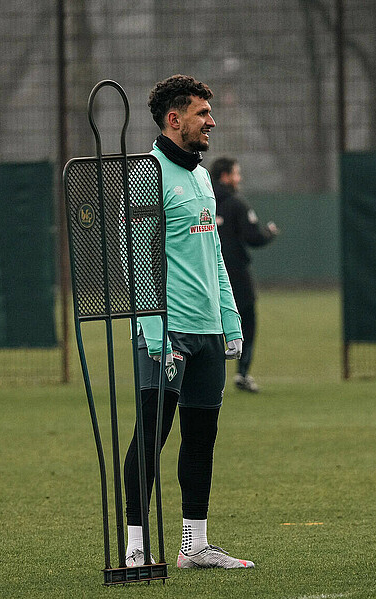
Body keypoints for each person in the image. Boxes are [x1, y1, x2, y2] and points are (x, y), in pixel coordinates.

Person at [123, 74, 254, 570]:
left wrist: (230, 320)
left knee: (202, 437)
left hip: (207, 334)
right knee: (151, 436)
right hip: (166, 332)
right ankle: (135, 548)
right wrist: (156, 334)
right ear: (174, 120)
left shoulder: (200, 176)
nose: (211, 122)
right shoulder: (144, 176)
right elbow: (132, 256)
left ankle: (193, 546)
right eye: (202, 113)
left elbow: (213, 255)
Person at [210, 157, 278, 393]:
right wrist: (269, 233)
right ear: (226, 176)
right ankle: (243, 372)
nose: (239, 179)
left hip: (206, 274)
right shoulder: (237, 203)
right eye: (236, 174)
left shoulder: (203, 200)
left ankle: (207, 373)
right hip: (236, 274)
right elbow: (254, 237)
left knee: (210, 324)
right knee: (247, 319)